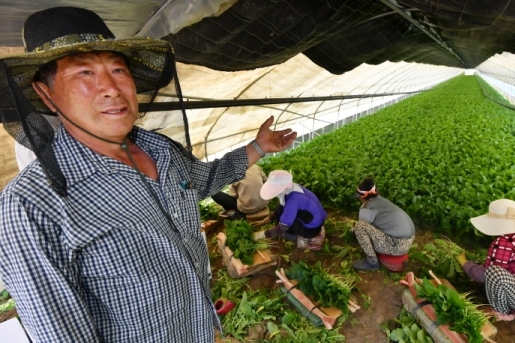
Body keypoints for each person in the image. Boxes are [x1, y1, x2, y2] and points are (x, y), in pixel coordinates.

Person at [0, 7, 296, 343]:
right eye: (84, 73)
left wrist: (257, 147)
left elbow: (203, 181)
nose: (111, 88)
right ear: (46, 93)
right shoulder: (30, 207)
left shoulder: (161, 150)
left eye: (117, 69)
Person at [454, 199, 515, 322]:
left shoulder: (504, 243)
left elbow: (482, 275)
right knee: (496, 270)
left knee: (493, 272)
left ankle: (503, 313)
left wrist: (465, 262)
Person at [351, 177, 415, 271]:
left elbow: (365, 229)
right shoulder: (383, 201)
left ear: (362, 197)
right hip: (410, 240)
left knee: (360, 226)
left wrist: (353, 231)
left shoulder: (367, 209)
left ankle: (371, 262)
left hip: (397, 246)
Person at [252, 170, 327, 243]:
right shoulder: (293, 188)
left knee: (284, 230)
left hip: (311, 230)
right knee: (281, 208)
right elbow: (280, 208)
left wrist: (259, 235)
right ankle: (295, 229)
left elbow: (281, 228)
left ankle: (292, 235)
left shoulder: (292, 201)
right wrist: (264, 222)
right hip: (316, 220)